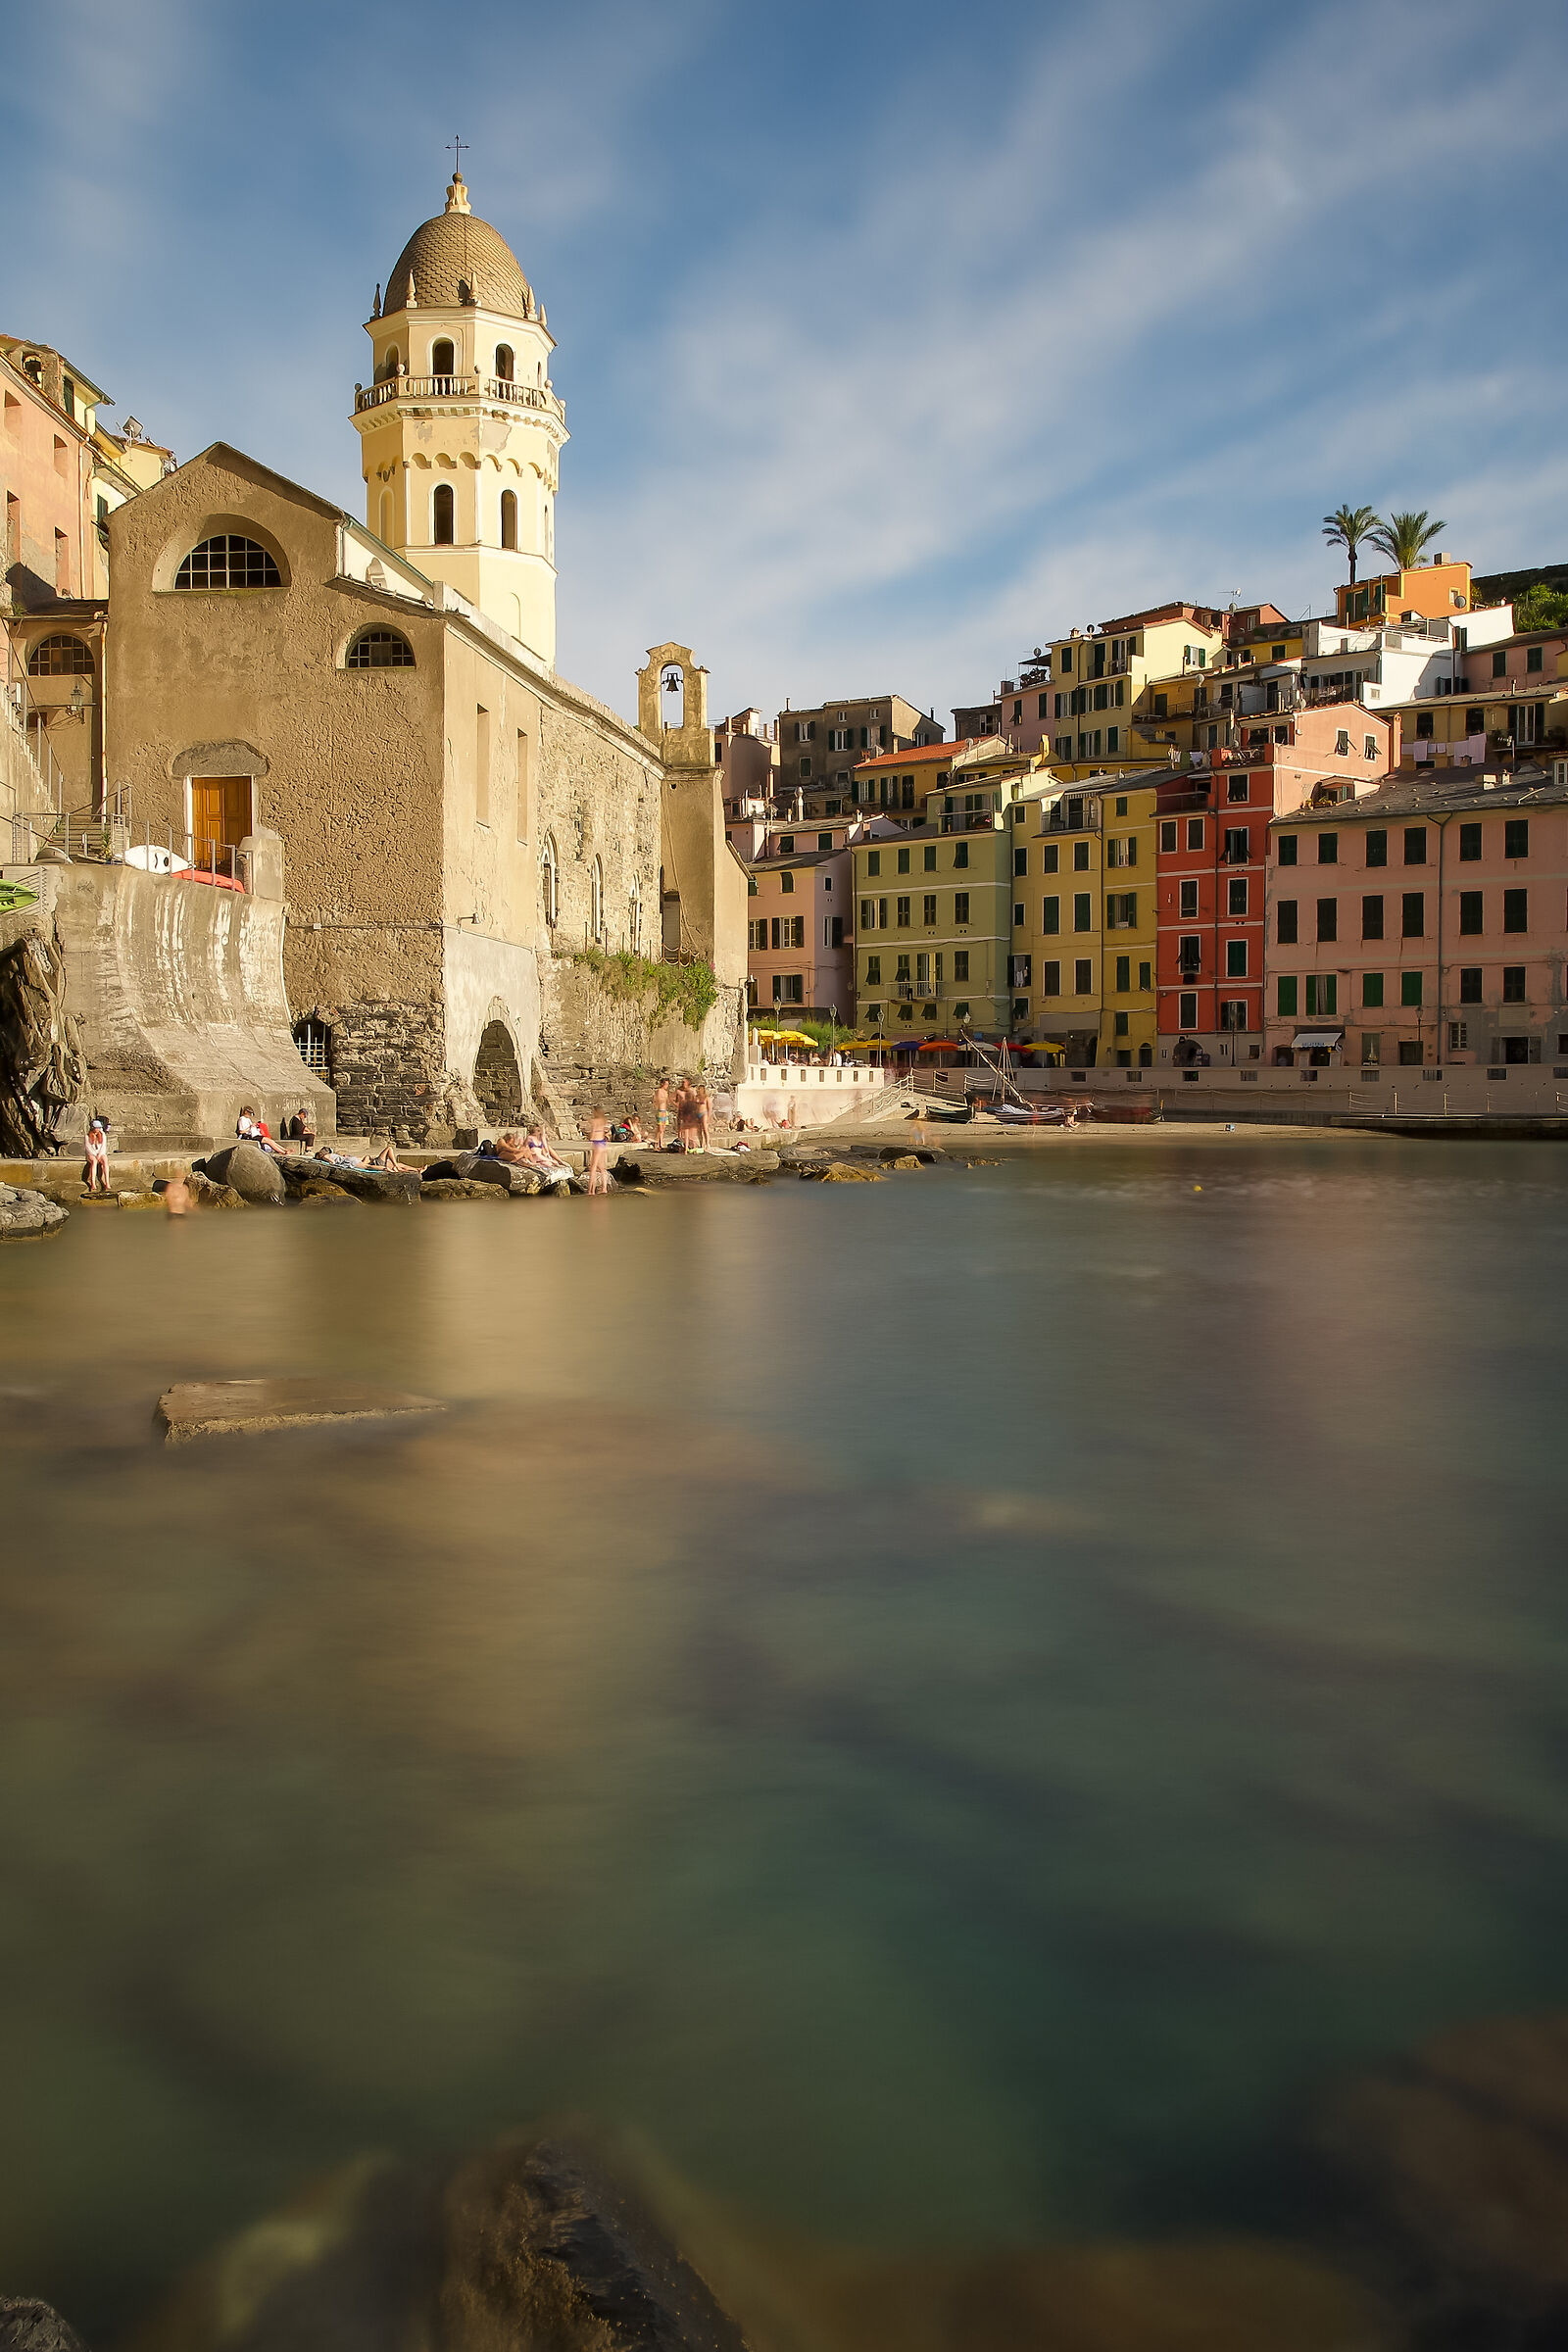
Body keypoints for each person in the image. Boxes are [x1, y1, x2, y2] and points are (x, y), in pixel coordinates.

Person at [522, 1126, 573, 1190]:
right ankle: (558, 1162)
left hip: (540, 1157)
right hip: (535, 1156)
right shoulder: (529, 1138)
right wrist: (529, 1153)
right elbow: (524, 1147)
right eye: (537, 1131)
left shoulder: (539, 1139)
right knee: (552, 1162)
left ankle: (558, 1161)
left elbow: (544, 1149)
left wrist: (547, 1156)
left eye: (539, 1131)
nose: (539, 1132)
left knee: (548, 1163)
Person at [586, 1107, 611, 1196]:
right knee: (602, 1168)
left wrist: (589, 1136)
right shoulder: (603, 1120)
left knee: (593, 1168)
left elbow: (592, 1135)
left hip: (596, 1144)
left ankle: (591, 1190)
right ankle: (604, 1188)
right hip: (603, 1143)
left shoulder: (594, 1121)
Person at [83, 1116, 110, 1194]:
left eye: (99, 1128)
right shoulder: (87, 1136)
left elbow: (103, 1146)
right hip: (91, 1154)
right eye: (96, 1128)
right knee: (94, 1161)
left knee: (105, 1160)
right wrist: (95, 1155)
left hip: (100, 1153)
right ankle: (93, 1183)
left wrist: (99, 1154)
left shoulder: (103, 1135)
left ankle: (107, 1182)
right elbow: (88, 1148)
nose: (97, 1130)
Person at [654, 1079, 673, 1151]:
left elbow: (668, 1101)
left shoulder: (666, 1092)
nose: (667, 1086)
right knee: (660, 1128)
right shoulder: (659, 1091)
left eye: (668, 1085)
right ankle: (657, 1143)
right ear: (662, 1084)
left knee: (663, 1128)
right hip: (660, 1110)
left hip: (665, 1111)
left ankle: (660, 1142)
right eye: (666, 1084)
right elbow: (657, 1100)